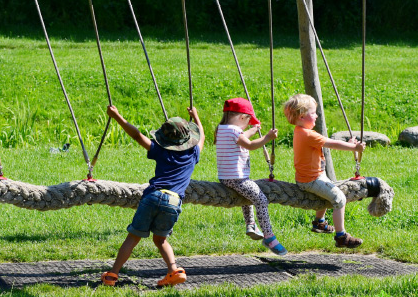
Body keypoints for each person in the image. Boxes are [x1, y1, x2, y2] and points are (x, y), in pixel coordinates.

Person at [100, 105, 205, 287]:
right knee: (161, 239)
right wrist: (196, 117)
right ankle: (174, 270)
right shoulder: (193, 153)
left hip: (153, 196)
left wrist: (117, 116)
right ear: (189, 138)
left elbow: (136, 135)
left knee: (133, 237)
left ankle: (112, 275)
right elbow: (202, 136)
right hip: (173, 201)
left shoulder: (160, 150)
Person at [283, 93, 366, 248]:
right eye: (313, 113)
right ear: (301, 116)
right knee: (339, 199)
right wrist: (354, 147)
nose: (317, 115)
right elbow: (331, 143)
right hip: (312, 180)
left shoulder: (299, 131)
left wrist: (349, 144)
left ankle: (319, 222)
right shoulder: (308, 134)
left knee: (327, 195)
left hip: (312, 176)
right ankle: (342, 236)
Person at [214, 97, 286, 255]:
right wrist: (267, 138)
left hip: (226, 177)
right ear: (242, 118)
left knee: (248, 197)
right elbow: (250, 144)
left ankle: (251, 224)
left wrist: (253, 130)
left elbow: (241, 137)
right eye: (248, 121)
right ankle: (269, 236)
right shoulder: (235, 131)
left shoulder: (221, 129)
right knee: (261, 199)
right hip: (238, 178)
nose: (248, 124)